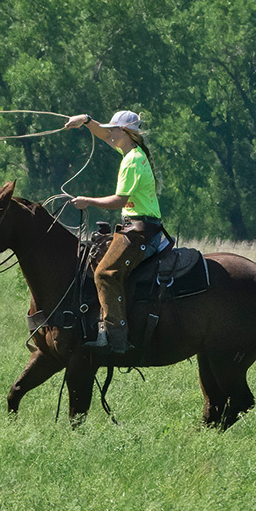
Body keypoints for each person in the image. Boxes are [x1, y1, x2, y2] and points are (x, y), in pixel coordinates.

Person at [62, 110, 163, 353]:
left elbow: (119, 200)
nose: (111, 133)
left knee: (104, 274)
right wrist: (86, 121)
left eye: (115, 129)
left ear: (126, 132)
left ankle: (116, 338)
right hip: (136, 225)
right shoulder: (131, 152)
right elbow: (105, 136)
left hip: (141, 229)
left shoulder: (133, 160)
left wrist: (88, 201)